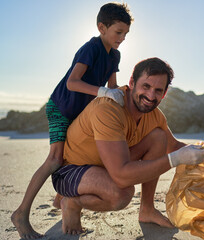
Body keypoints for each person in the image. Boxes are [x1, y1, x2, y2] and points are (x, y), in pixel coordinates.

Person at [11, 3, 132, 239]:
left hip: (82, 112)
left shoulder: (115, 55)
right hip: (61, 108)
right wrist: (103, 93)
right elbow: (72, 82)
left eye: (126, 34)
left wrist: (123, 94)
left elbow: (113, 86)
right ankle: (21, 214)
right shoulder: (90, 48)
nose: (122, 38)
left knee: (78, 153)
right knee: (56, 159)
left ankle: (61, 199)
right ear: (102, 27)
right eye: (119, 32)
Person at [51, 57, 204, 235]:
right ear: (132, 82)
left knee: (158, 137)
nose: (151, 96)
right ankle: (72, 202)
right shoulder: (108, 108)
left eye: (158, 90)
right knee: (120, 194)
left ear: (165, 94)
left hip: (103, 164)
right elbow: (121, 176)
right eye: (146, 86)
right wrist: (176, 160)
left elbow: (173, 146)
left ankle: (147, 210)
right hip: (70, 170)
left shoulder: (153, 114)